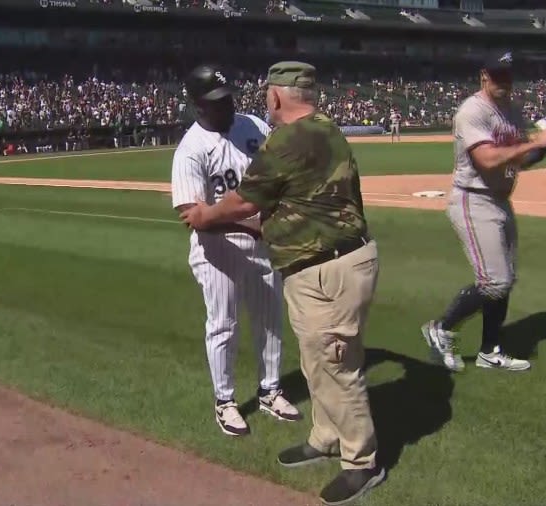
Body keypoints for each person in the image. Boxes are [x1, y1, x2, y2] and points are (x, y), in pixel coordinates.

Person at [181, 61, 384, 506]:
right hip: (326, 263)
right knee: (317, 361)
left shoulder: (288, 140)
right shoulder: (323, 126)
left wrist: (204, 215)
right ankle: (326, 436)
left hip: (327, 266)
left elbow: (241, 201)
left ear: (275, 97)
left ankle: (361, 461)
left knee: (336, 366)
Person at [170, 64, 301, 437]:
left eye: (227, 97)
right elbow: (193, 215)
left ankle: (270, 390)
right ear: (197, 105)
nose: (225, 105)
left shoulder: (252, 127)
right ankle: (225, 401)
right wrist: (254, 226)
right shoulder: (191, 150)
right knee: (224, 325)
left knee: (270, 320)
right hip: (218, 251)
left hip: (264, 242)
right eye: (215, 101)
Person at [420, 52, 546, 373]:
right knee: (494, 281)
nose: (505, 82)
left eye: (509, 76)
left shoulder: (512, 110)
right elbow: (487, 160)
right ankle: (441, 329)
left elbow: (518, 160)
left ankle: (490, 351)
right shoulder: (472, 111)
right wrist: (534, 142)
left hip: (500, 200)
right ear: (484, 76)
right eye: (499, 76)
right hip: (473, 200)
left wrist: (545, 146)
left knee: (505, 279)